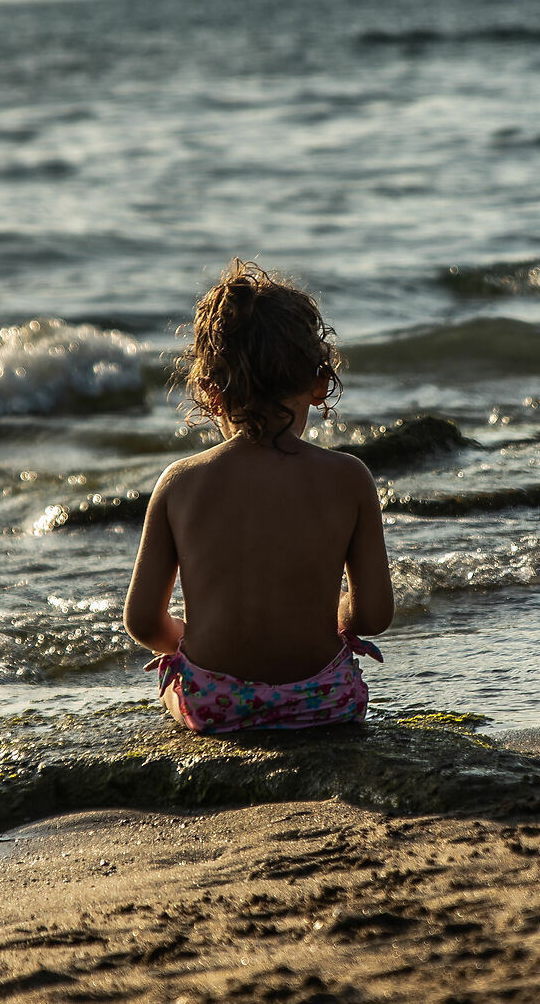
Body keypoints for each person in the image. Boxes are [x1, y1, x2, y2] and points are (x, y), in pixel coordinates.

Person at [122, 261, 393, 732]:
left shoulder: (180, 482)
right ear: (319, 383)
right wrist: (338, 613)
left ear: (208, 392)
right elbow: (373, 615)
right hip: (324, 700)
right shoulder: (350, 478)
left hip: (214, 703)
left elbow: (143, 622)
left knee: (173, 677)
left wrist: (187, 643)